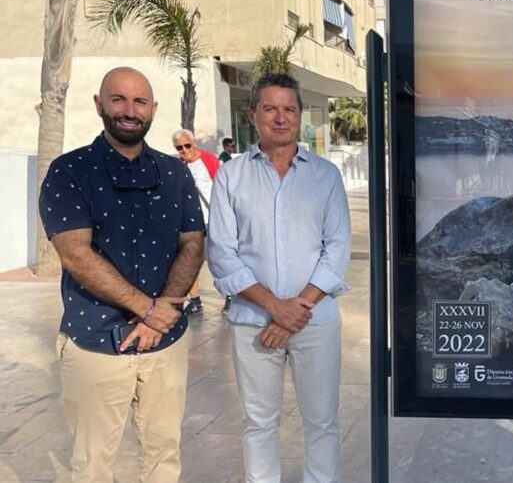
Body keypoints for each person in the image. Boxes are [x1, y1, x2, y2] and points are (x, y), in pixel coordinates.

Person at [39, 67, 205, 482]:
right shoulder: (69, 171)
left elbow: (193, 243)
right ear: (99, 104)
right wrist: (149, 309)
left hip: (166, 344)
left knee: (164, 456)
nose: (130, 111)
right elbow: (75, 254)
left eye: (139, 102)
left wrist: (159, 315)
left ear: (153, 109)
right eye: (118, 100)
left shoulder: (174, 172)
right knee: (93, 464)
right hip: (95, 342)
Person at [208, 73, 351, 483]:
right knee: (258, 422)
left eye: (289, 109)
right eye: (270, 108)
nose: (280, 118)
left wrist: (297, 308)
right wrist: (276, 308)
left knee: (322, 420)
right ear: (253, 115)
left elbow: (337, 247)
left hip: (315, 322)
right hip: (254, 322)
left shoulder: (325, 176)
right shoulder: (231, 177)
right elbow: (221, 252)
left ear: (300, 116)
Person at [172, 128, 220, 315]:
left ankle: (230, 295)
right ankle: (195, 300)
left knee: (215, 260)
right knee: (189, 261)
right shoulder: (178, 166)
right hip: (190, 222)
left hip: (211, 218)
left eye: (187, 145)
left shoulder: (209, 160)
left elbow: (222, 186)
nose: (184, 150)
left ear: (194, 144)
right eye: (179, 148)